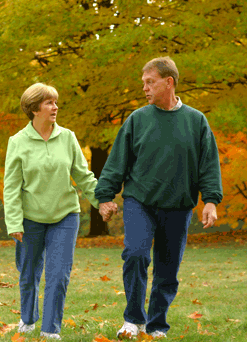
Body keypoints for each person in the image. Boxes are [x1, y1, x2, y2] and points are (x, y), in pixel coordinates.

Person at [95, 56, 223, 339]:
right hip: (139, 201)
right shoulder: (137, 119)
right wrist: (105, 197)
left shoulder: (196, 121)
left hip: (178, 206)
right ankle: (132, 321)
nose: (145, 88)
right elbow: (116, 162)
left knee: (167, 271)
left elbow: (209, 165)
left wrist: (211, 201)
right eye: (143, 83)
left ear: (169, 82)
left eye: (150, 82)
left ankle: (156, 326)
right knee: (136, 254)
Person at [4, 83, 105, 340]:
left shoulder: (68, 137)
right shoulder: (17, 142)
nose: (55, 107)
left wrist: (101, 202)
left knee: (58, 275)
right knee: (28, 274)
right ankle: (27, 318)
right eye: (49, 103)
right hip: (30, 218)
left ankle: (50, 329)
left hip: (65, 215)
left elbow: (83, 176)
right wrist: (14, 222)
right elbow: (12, 186)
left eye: (55, 102)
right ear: (34, 108)